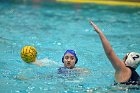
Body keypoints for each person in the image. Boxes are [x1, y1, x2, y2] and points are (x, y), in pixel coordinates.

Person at [89, 20, 140, 85]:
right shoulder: (135, 75)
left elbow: (109, 52)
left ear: (125, 59)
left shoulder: (123, 69)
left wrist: (100, 32)